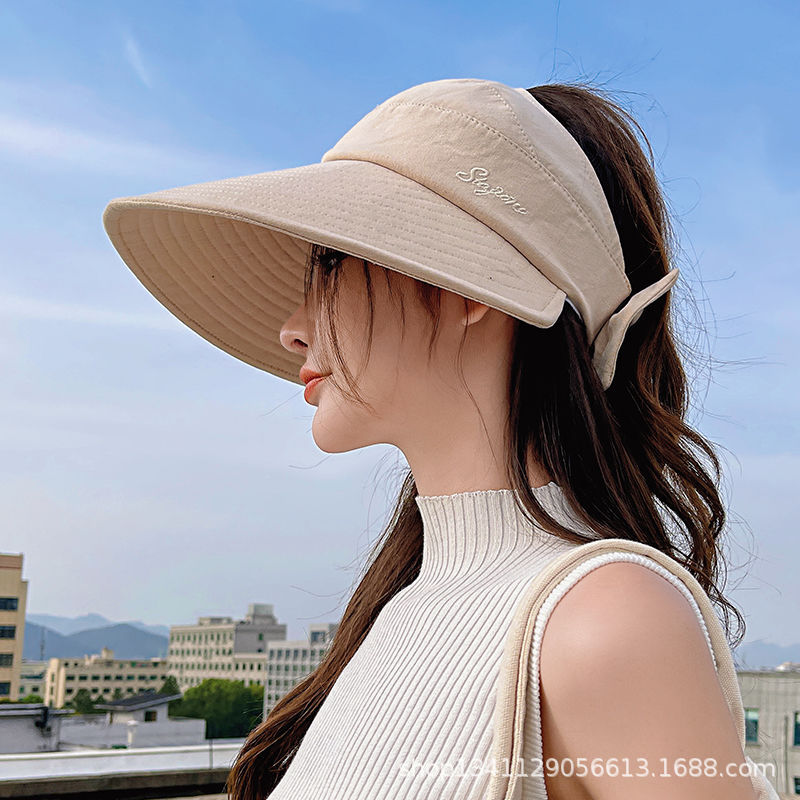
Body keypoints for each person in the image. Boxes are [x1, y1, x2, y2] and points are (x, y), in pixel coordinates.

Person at [102, 78, 763, 799]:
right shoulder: (399, 615)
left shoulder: (602, 623)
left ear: (466, 287)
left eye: (328, 263)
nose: (292, 328)